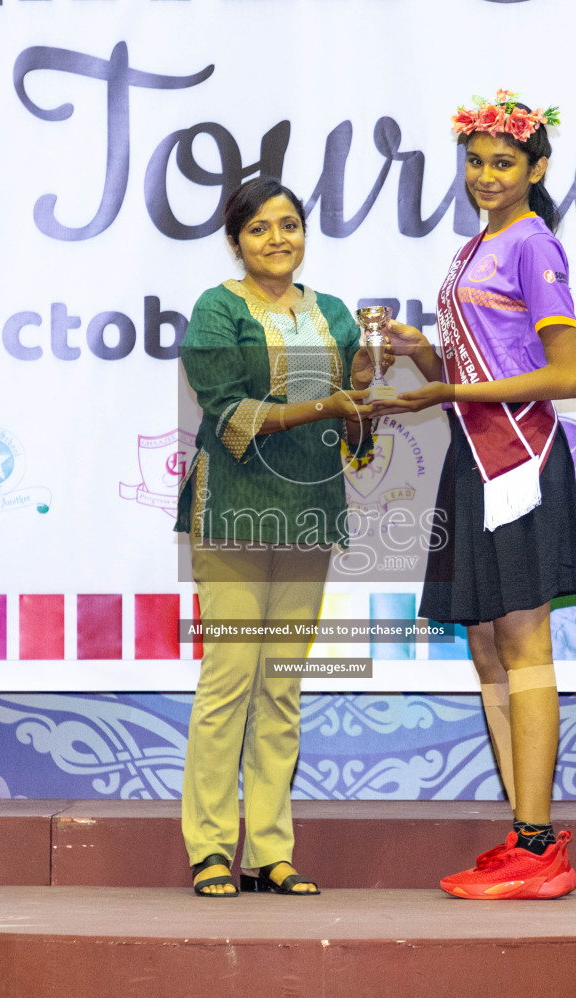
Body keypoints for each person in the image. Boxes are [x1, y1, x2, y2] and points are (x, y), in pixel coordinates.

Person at [376, 92, 576, 900]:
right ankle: (523, 834)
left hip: (521, 460)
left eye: (504, 163)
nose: (487, 176)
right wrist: (426, 360)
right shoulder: (478, 246)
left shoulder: (534, 245)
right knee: (486, 647)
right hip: (475, 454)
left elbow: (566, 376)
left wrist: (444, 395)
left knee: (525, 644)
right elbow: (472, 375)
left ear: (537, 169)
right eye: (476, 162)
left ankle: (539, 846)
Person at [175, 177, 381, 897]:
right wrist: (327, 402)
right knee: (230, 678)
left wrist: (375, 379)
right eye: (259, 228)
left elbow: (357, 419)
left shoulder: (331, 313)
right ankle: (208, 848)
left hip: (308, 513)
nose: (276, 239)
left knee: (284, 686)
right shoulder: (216, 310)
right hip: (233, 509)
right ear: (236, 240)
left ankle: (269, 851)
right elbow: (228, 409)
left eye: (288, 225)